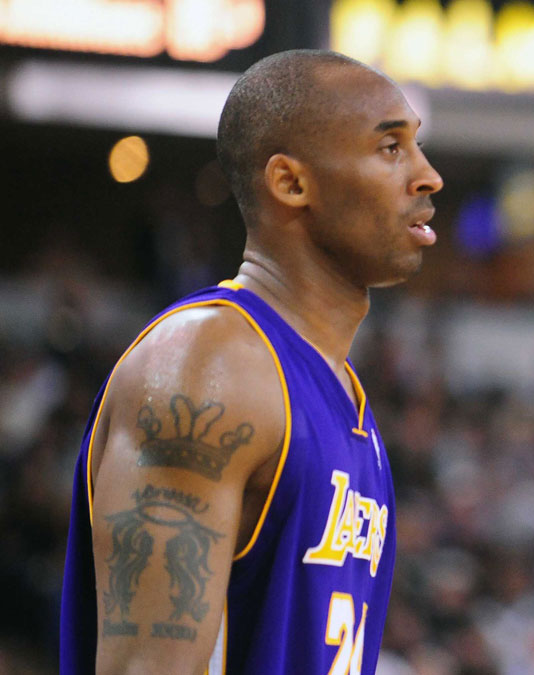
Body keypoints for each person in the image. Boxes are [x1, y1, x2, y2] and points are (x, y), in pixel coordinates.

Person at [59, 49, 442, 674]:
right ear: (291, 183)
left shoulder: (342, 391)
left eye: (416, 146)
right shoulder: (209, 366)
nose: (429, 176)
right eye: (390, 149)